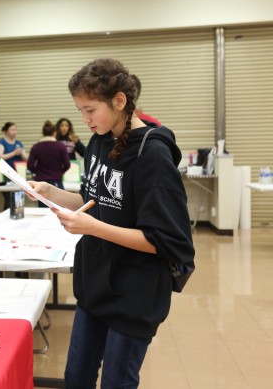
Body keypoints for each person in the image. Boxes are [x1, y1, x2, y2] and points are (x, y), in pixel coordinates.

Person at [29, 58, 194, 388]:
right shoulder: (99, 141)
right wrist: (52, 192)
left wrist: (92, 228)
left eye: (90, 110)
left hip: (134, 293)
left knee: (117, 381)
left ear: (120, 101)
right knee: (77, 377)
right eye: (80, 111)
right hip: (95, 286)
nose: (84, 120)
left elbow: (162, 240)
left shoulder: (153, 155)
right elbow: (94, 202)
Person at [27, 120, 70, 206]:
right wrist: (59, 172)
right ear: (55, 133)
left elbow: (30, 165)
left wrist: (38, 171)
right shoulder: (61, 146)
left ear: (43, 133)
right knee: (59, 210)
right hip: (56, 182)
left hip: (40, 184)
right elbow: (67, 165)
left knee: (43, 211)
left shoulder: (36, 147)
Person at [0, 121, 27, 210]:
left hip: (18, 174)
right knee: (9, 199)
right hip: (6, 174)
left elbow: (25, 158)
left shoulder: (18, 143)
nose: (14, 131)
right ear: (6, 131)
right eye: (12, 129)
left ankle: (19, 215)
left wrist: (22, 153)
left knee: (18, 198)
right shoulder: (1, 142)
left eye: (15, 129)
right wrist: (14, 153)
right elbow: (1, 156)